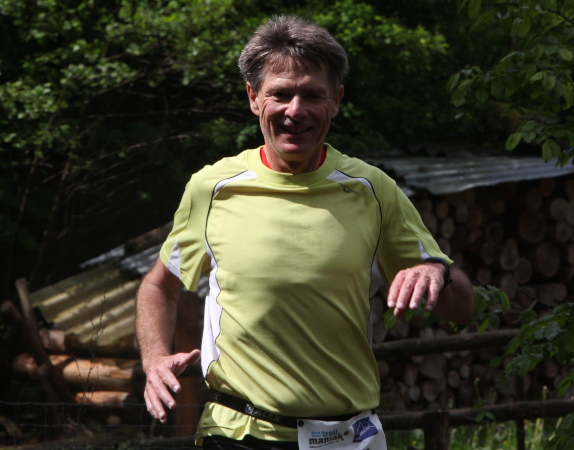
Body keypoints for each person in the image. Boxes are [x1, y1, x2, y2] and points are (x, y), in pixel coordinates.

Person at [135, 14, 474, 450]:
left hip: (348, 437)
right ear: (253, 98)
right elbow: (159, 287)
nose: (295, 111)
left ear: (336, 101)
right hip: (238, 432)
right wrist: (154, 359)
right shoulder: (212, 188)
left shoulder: (373, 189)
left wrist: (438, 272)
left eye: (313, 95)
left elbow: (461, 309)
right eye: (280, 94)